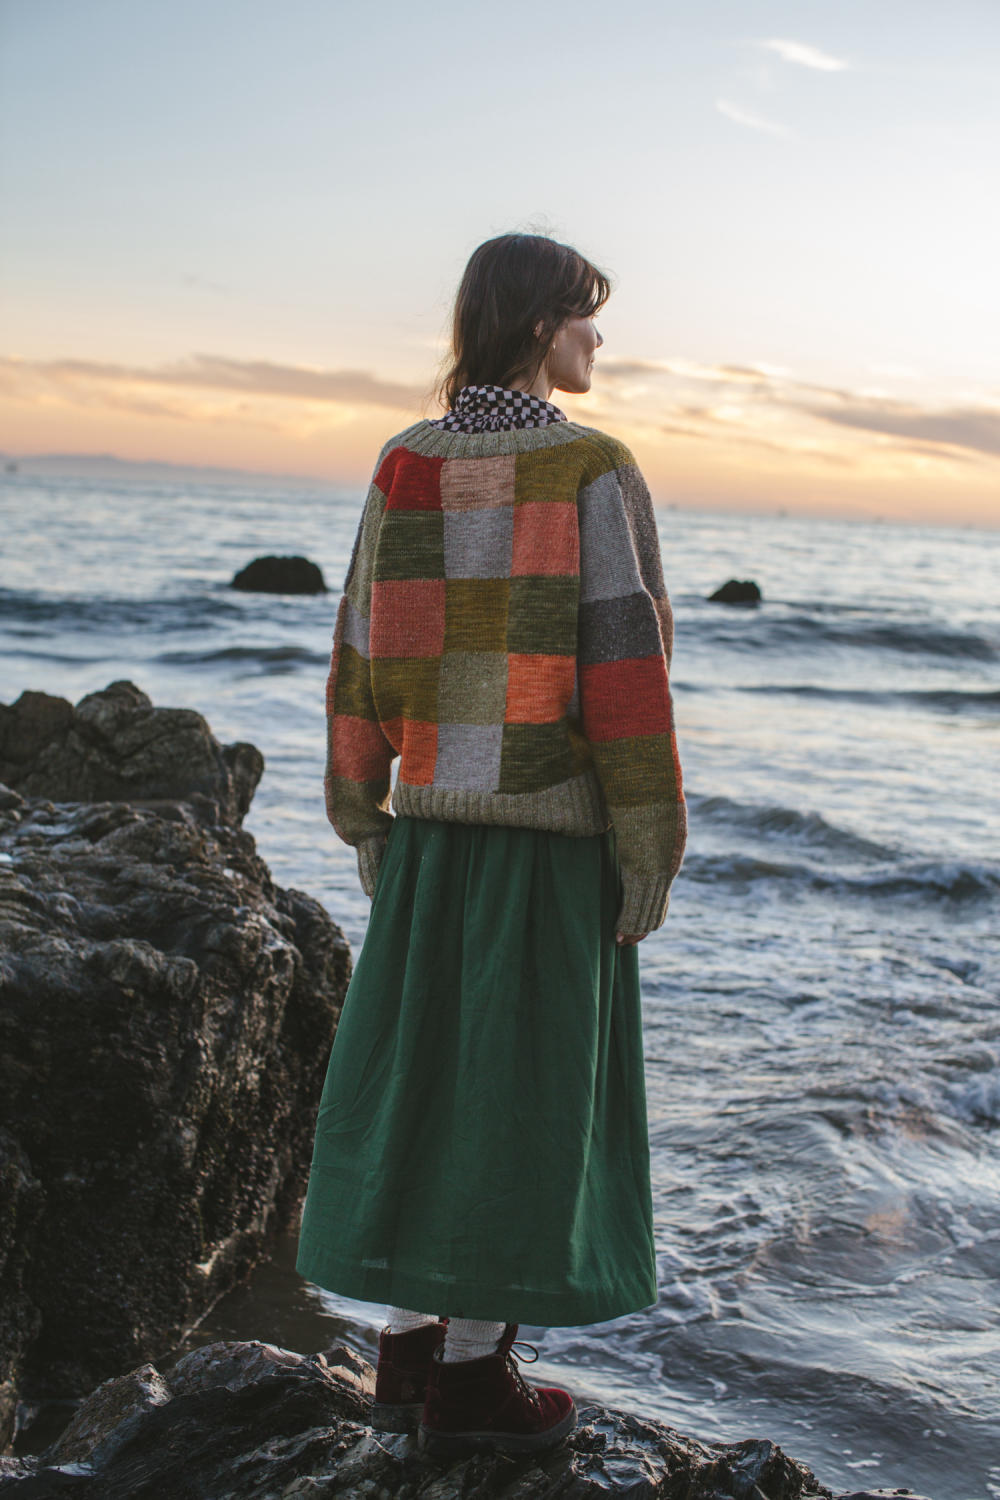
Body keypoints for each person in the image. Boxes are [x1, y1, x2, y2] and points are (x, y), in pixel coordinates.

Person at [296, 231, 686, 1458]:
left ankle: (405, 1361)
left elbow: (361, 646)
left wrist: (361, 806)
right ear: (534, 326)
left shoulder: (405, 462)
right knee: (521, 1101)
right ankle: (471, 1383)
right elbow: (623, 665)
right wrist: (649, 838)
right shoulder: (589, 466)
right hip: (546, 839)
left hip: (428, 836)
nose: (597, 337)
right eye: (584, 314)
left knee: (422, 1089)